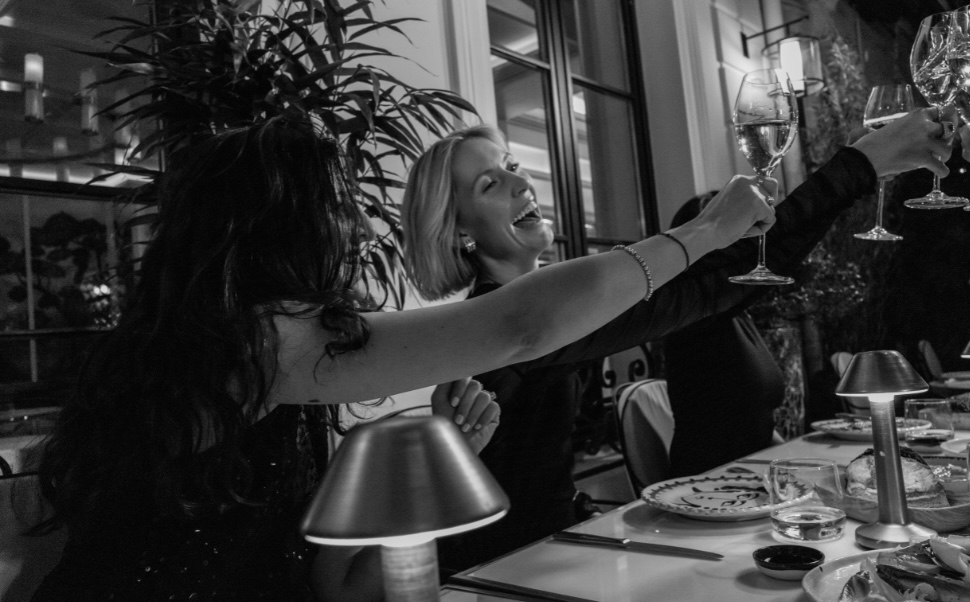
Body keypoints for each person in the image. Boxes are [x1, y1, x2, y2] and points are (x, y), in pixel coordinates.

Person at [29, 116, 776, 602]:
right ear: (281, 227)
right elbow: (522, 325)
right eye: (338, 205)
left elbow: (342, 589)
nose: (358, 226)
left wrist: (433, 463)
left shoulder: (279, 374)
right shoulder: (255, 346)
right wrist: (705, 233)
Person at [400, 109, 953, 571]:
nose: (521, 182)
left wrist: (860, 169)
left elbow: (718, 284)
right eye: (490, 184)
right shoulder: (502, 321)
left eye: (514, 166)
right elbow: (713, 287)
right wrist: (858, 167)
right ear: (459, 232)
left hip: (555, 551)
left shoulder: (537, 300)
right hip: (497, 574)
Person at [658, 194, 784, 478]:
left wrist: (792, 464)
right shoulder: (693, 315)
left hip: (752, 475)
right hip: (709, 485)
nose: (746, 242)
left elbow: (758, 422)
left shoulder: (736, 312)